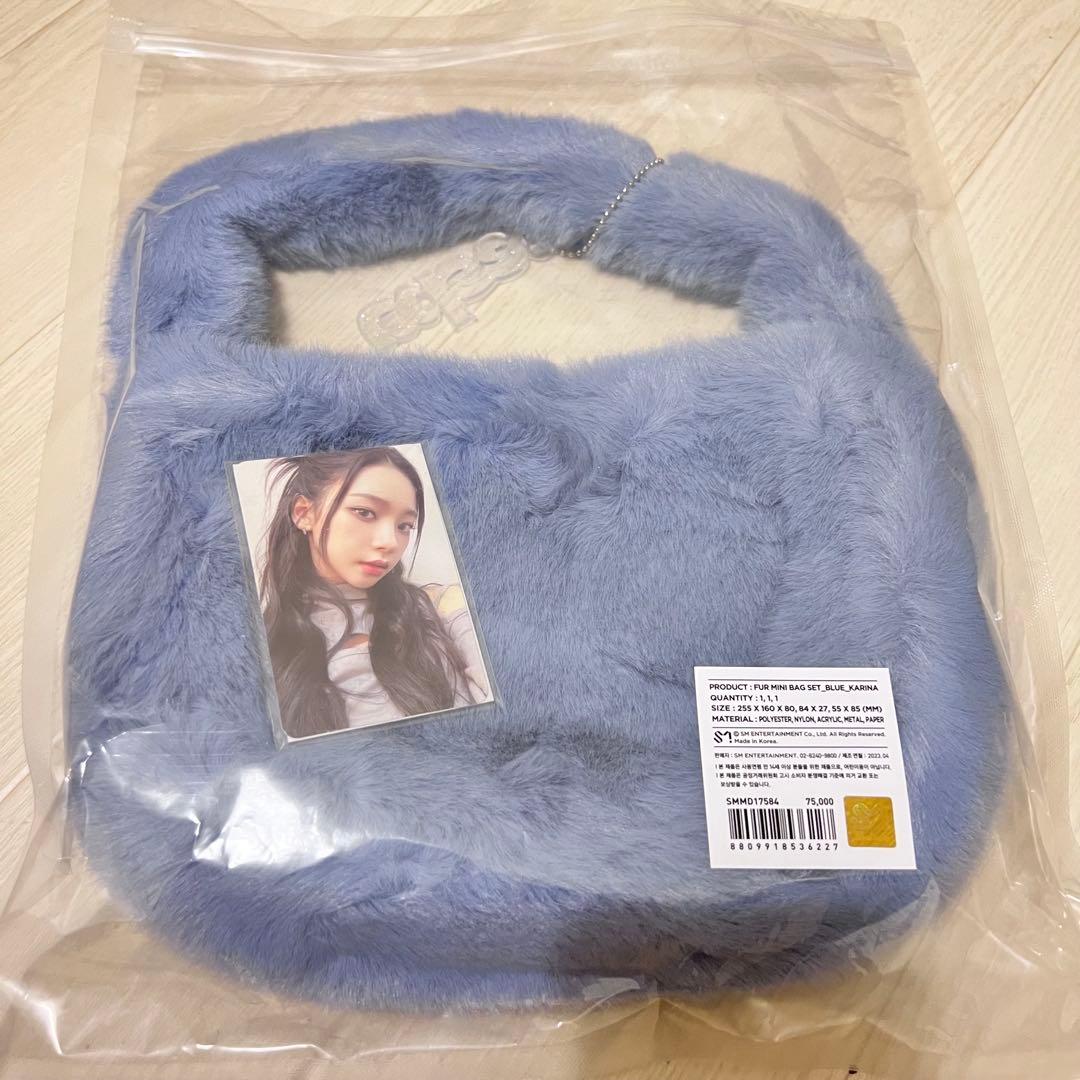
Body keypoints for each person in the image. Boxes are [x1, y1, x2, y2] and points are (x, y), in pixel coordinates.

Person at [258, 447, 489, 739]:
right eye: (364, 512)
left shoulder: (440, 606)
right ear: (304, 513)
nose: (390, 542)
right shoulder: (264, 648)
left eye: (404, 526)